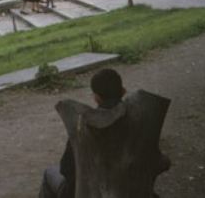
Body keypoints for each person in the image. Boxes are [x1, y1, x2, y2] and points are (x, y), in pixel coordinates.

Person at [38, 68, 170, 198]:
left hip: (87, 193)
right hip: (133, 192)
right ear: (123, 91)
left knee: (49, 173)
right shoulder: (141, 124)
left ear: (96, 98)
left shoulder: (83, 128)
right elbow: (160, 162)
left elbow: (66, 169)